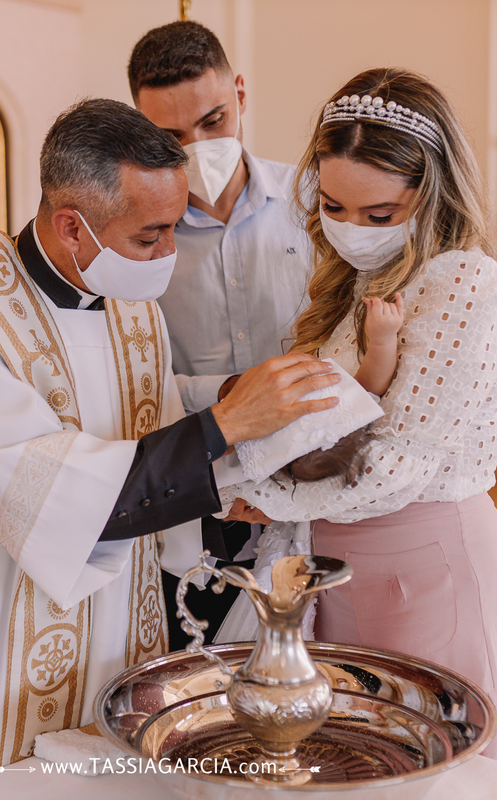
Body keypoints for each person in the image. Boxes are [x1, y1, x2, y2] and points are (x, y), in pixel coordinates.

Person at [0, 97, 340, 796]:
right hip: (3, 629)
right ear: (72, 226)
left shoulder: (130, 302)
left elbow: (154, 448)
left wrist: (236, 485)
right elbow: (55, 498)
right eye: (152, 235)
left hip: (120, 625)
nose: (169, 253)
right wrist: (226, 423)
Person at [220, 67, 497, 774]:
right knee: (355, 757)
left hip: (430, 566)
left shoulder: (464, 281)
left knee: (435, 761)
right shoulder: (357, 284)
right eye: (334, 207)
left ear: (433, 196)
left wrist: (262, 495)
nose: (351, 231)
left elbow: (400, 462)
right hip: (342, 569)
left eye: (379, 216)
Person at [128, 20, 315, 646]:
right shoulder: (134, 242)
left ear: (240, 93)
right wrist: (230, 393)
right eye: (172, 136)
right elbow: (132, 380)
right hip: (196, 495)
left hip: (314, 487)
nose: (199, 145)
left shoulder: (314, 204)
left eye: (213, 121)